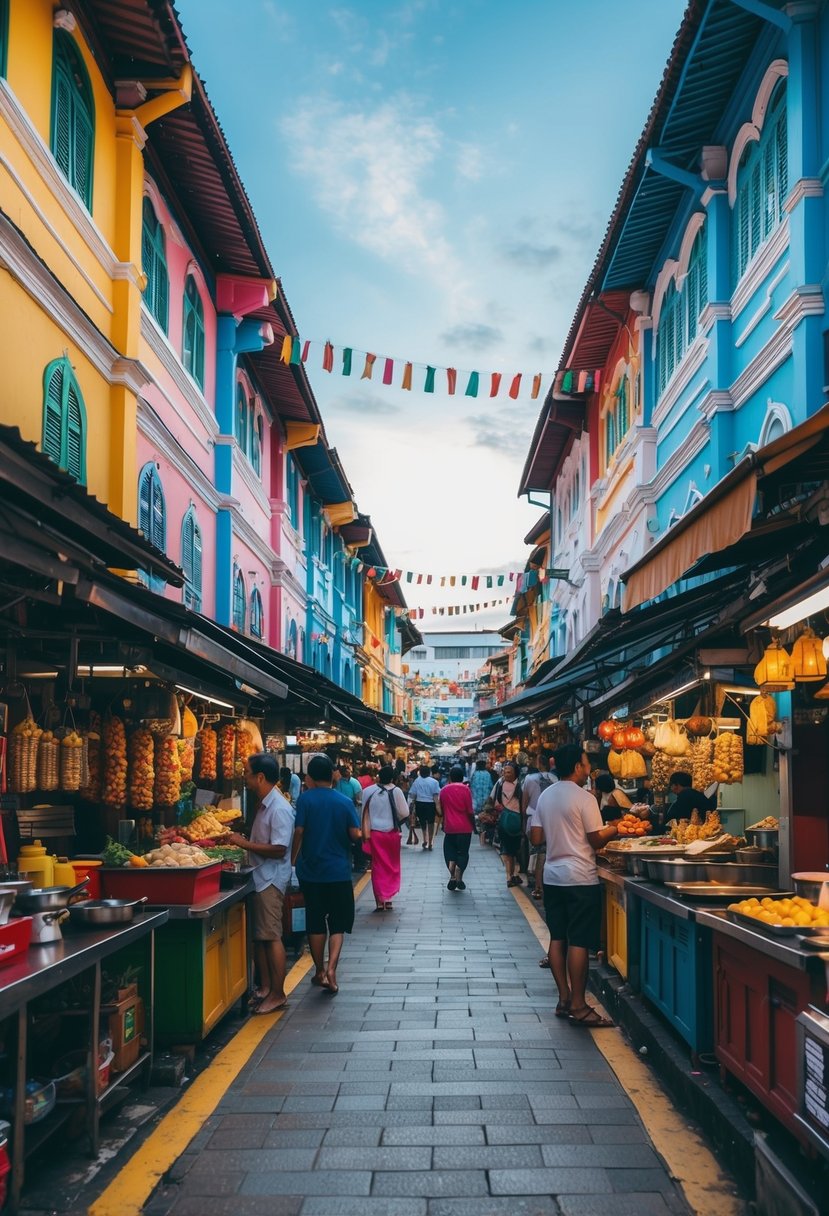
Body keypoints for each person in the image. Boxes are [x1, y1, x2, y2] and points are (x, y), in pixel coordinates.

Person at [531, 743, 619, 1028]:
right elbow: (596, 840)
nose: (588, 768)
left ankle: (564, 999)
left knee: (558, 937)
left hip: (553, 876)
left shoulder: (546, 796)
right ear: (577, 767)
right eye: (585, 763)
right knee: (579, 940)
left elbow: (535, 837)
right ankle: (580, 1006)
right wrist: (615, 828)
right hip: (580, 877)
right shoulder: (584, 798)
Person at [225, 753, 295, 1014]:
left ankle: (278, 994)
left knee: (271, 936)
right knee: (261, 938)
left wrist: (244, 843)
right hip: (260, 875)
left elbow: (279, 848)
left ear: (260, 777)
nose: (245, 777)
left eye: (247, 773)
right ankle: (266, 987)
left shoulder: (279, 807)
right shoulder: (264, 803)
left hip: (270, 878)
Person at [291, 754, 362, 995]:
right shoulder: (344, 801)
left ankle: (319, 971)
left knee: (315, 921)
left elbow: (299, 831)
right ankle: (333, 969)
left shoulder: (305, 800)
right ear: (332, 775)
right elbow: (355, 834)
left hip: (311, 872)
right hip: (339, 872)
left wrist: (292, 860)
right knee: (338, 924)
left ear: (309, 777)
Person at [362, 765, 408, 910]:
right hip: (392, 834)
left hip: (374, 834)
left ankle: (379, 901)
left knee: (378, 866)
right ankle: (388, 898)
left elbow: (363, 814)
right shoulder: (397, 791)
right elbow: (405, 812)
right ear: (394, 778)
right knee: (392, 865)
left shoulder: (368, 791)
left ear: (378, 776)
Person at [522, 751, 557, 902]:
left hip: (533, 820)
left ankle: (537, 886)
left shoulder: (529, 779)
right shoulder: (555, 779)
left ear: (539, 763)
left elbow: (524, 803)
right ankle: (547, 885)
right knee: (548, 853)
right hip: (552, 820)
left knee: (535, 853)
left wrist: (523, 821)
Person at [439, 765, 475, 892]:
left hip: (450, 828)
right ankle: (459, 875)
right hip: (465, 828)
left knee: (450, 853)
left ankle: (453, 876)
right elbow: (470, 811)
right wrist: (474, 826)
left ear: (450, 777)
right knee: (463, 853)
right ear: (462, 777)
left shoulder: (443, 790)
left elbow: (441, 809)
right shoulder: (466, 790)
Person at [492, 760, 524, 887]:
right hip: (507, 821)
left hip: (513, 821)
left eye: (509, 772)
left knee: (512, 849)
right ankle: (510, 875)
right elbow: (493, 799)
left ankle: (513, 874)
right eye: (504, 771)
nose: (505, 773)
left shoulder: (519, 785)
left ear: (515, 773)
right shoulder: (501, 784)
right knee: (509, 849)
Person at [335, 764, 366, 874]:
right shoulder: (337, 782)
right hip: (340, 816)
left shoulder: (354, 783)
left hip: (353, 815)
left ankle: (359, 863)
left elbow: (359, 799)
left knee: (356, 840)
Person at [408, 764, 441, 851]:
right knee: (430, 823)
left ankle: (424, 839)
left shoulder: (417, 781)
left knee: (423, 823)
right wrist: (438, 807)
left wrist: (413, 805)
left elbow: (413, 794)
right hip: (430, 804)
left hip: (420, 803)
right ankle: (430, 841)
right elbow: (436, 796)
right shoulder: (434, 782)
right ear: (429, 772)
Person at [470, 759, 494, 844]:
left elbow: (471, 786)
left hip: (476, 798)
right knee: (485, 814)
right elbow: (491, 786)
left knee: (476, 815)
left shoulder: (475, 774)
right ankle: (484, 831)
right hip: (486, 798)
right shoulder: (488, 774)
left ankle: (477, 829)